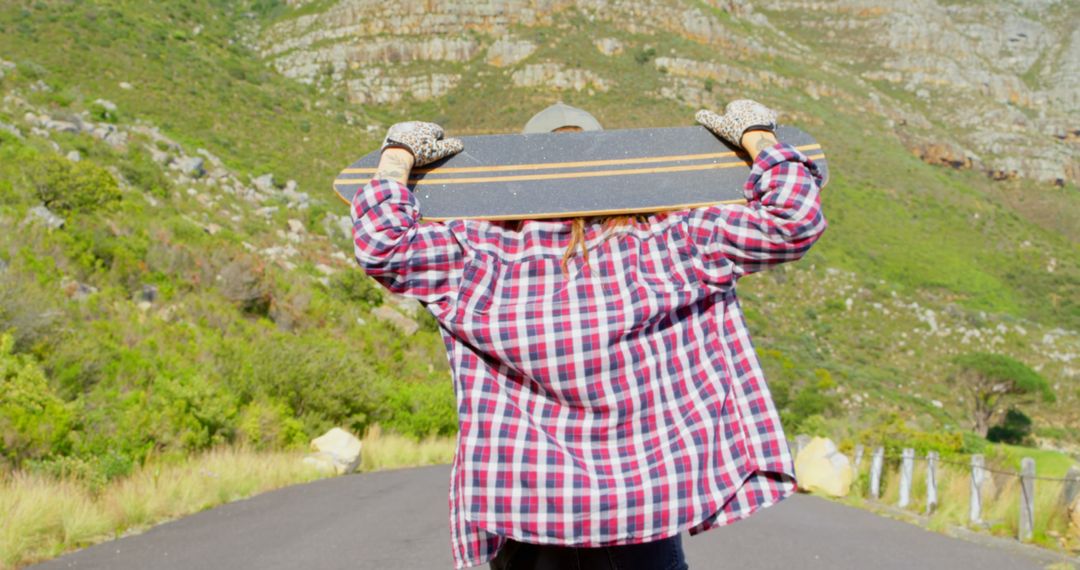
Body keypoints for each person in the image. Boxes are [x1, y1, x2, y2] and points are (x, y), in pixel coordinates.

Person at [349, 99, 827, 569]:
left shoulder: (477, 259)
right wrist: (756, 136)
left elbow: (382, 245)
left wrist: (398, 155)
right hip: (642, 517)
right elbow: (793, 218)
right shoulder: (669, 245)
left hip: (525, 517)